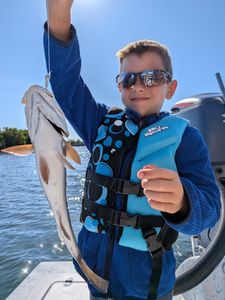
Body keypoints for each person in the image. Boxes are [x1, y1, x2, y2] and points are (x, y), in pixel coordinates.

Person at [44, 1, 221, 299]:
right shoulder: (98, 123)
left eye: (152, 77)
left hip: (147, 284)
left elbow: (210, 210)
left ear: (171, 88)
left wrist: (182, 200)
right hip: (93, 273)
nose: (138, 85)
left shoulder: (186, 138)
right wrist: (58, 13)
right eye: (128, 79)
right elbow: (65, 85)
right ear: (119, 86)